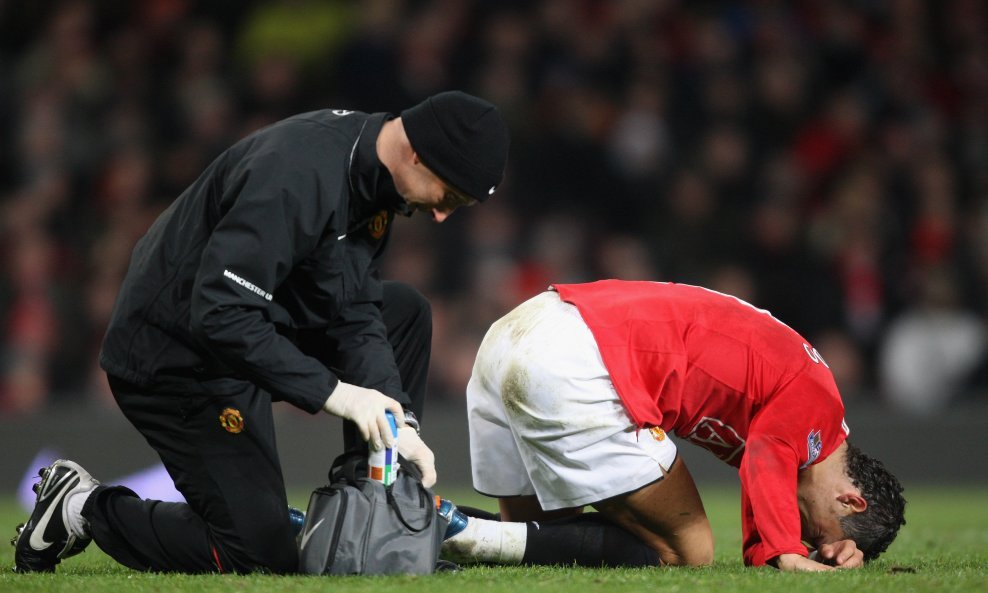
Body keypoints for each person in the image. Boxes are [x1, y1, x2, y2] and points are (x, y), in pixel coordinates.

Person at [12, 91, 510, 574]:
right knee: (258, 552)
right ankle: (80, 506)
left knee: (401, 310)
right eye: (449, 195)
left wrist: (398, 425)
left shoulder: (374, 177)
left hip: (246, 334)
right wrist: (338, 395)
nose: (443, 213)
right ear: (417, 154)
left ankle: (369, 512)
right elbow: (220, 314)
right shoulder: (295, 175)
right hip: (176, 359)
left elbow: (354, 310)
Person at [441, 280, 905, 571]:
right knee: (691, 551)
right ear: (850, 500)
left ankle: (420, 517)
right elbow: (767, 454)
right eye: (817, 534)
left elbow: (762, 471)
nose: (806, 537)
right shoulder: (820, 409)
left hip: (519, 330)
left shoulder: (805, 409)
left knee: (537, 537)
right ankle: (460, 533)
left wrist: (766, 550)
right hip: (582, 360)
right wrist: (783, 550)